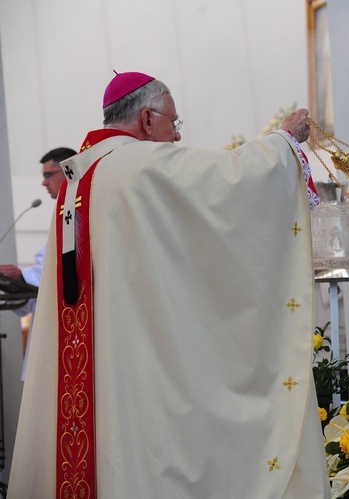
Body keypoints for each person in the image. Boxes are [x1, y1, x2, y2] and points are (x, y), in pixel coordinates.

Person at [9, 72, 329, 498]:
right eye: (173, 123)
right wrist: (284, 142)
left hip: (95, 371)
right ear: (146, 119)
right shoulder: (137, 166)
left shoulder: (78, 180)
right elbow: (229, 182)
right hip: (136, 372)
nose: (176, 137)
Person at [0, 147, 76, 379]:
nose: (44, 182)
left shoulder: (78, 210)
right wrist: (13, 285)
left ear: (67, 170)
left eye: (48, 175)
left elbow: (65, 266)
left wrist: (23, 277)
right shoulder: (62, 212)